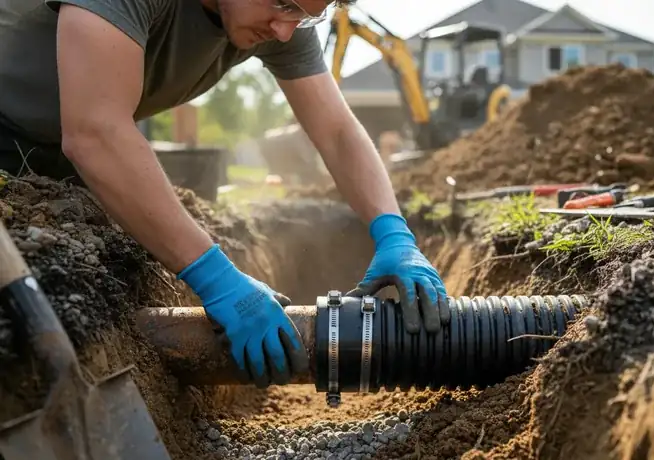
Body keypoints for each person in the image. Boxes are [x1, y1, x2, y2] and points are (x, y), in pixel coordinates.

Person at [0, 0, 450, 387]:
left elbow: (336, 131)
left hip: (57, 161)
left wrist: (393, 232)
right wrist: (216, 278)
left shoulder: (279, 17)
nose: (286, 29)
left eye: (306, 16)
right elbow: (96, 133)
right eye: (284, 3)